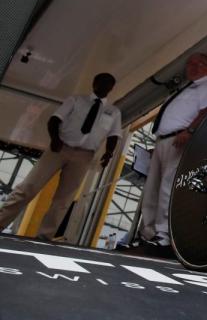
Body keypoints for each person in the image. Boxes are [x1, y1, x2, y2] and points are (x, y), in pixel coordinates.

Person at [0, 73, 121, 240]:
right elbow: (55, 120)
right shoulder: (76, 100)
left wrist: (108, 153)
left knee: (64, 199)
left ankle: (44, 236)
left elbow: (114, 135)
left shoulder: (113, 112)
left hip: (84, 156)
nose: (104, 86)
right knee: (28, 187)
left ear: (111, 88)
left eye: (108, 84)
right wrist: (55, 139)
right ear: (94, 83)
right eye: (101, 82)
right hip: (59, 148)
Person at [138, 53, 207, 255]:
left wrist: (190, 131)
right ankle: (147, 234)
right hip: (163, 141)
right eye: (189, 63)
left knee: (167, 186)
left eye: (197, 63)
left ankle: (164, 235)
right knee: (152, 188)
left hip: (180, 140)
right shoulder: (183, 89)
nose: (191, 67)